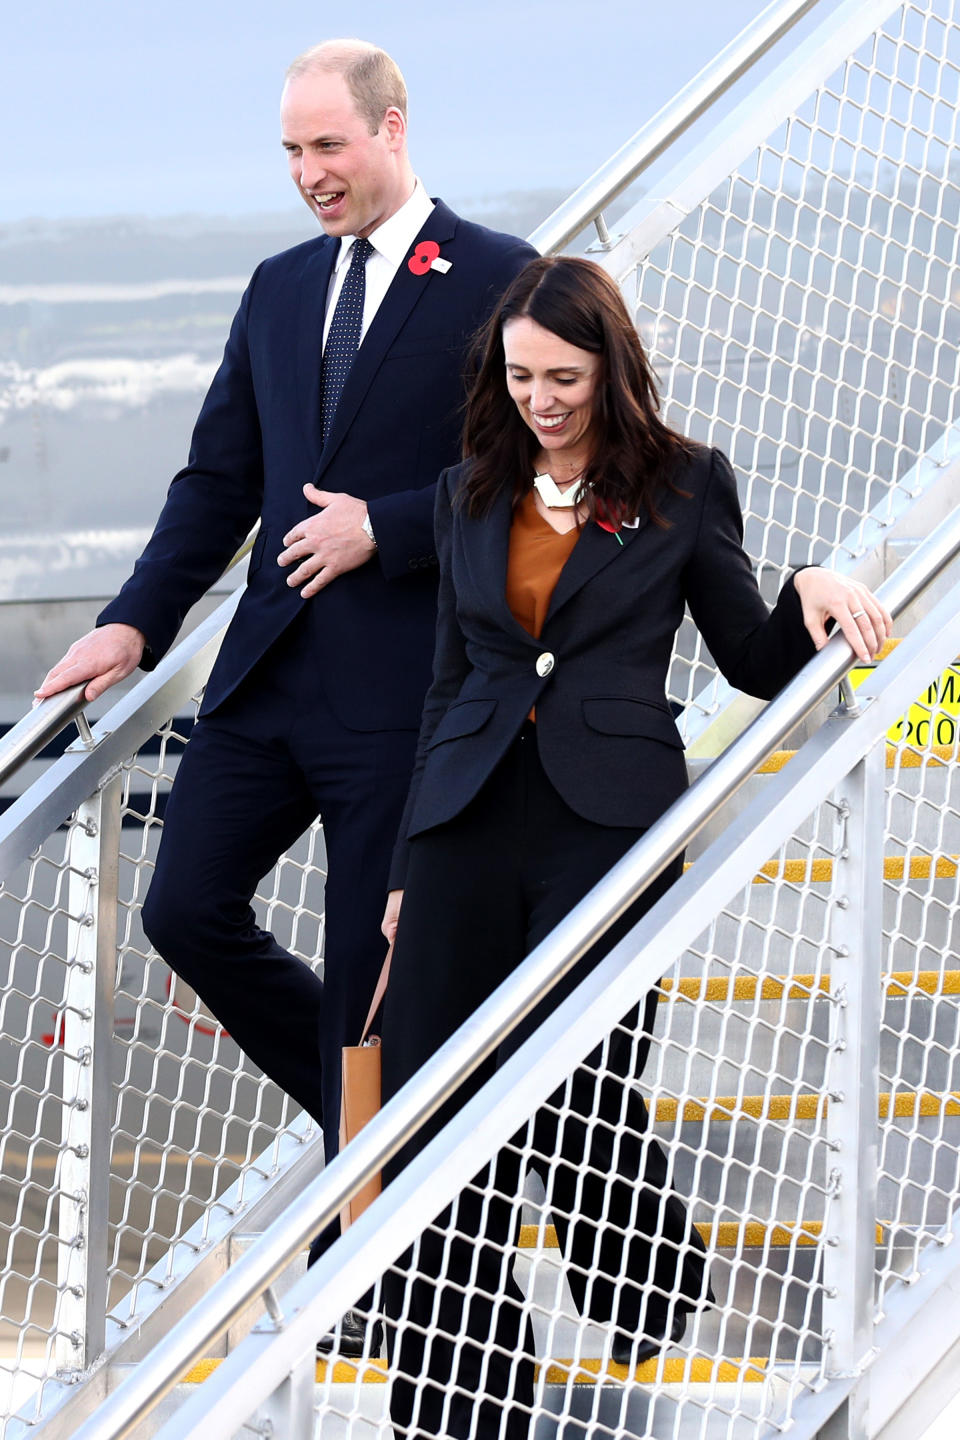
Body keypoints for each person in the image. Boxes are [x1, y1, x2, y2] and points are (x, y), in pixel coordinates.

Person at [34, 39, 536, 1332]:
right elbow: (217, 482)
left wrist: (393, 525)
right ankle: (375, 1142)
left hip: (405, 697)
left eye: (329, 146)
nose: (310, 175)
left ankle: (433, 1300)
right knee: (186, 910)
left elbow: (531, 482)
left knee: (375, 999)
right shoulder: (276, 290)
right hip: (267, 686)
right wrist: (133, 625)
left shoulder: (496, 281)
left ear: (392, 129)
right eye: (293, 154)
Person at [376, 255, 891, 1439]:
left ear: (610, 366)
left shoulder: (683, 483)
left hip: (603, 823)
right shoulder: (467, 491)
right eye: (521, 377)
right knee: (430, 1112)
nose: (542, 399)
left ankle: (644, 1286)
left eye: (563, 375)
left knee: (578, 1077)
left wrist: (810, 581)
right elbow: (449, 685)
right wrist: (406, 866)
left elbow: (753, 661)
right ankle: (457, 1404)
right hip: (460, 821)